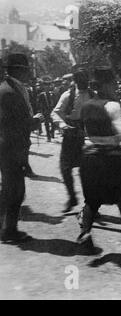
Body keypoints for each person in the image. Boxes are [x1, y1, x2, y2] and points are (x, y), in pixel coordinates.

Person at [76, 66, 121, 254]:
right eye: (113, 83)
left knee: (92, 200)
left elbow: (83, 130)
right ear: (106, 84)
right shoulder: (112, 106)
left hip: (89, 156)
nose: (116, 87)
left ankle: (85, 233)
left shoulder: (86, 106)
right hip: (110, 159)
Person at [0, 53, 44, 243]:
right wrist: (36, 121)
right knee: (15, 191)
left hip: (11, 146)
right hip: (11, 147)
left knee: (11, 190)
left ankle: (7, 229)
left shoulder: (12, 88)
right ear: (18, 70)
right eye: (26, 70)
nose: (29, 74)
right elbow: (17, 124)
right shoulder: (9, 92)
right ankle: (8, 231)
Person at [52, 68, 96, 213]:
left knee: (89, 172)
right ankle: (72, 197)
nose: (85, 83)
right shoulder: (68, 95)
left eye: (86, 80)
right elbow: (56, 112)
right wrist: (63, 125)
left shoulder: (92, 95)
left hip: (88, 136)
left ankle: (91, 204)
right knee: (65, 168)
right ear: (76, 81)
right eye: (81, 80)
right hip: (71, 136)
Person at [37, 76, 55, 142]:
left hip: (52, 110)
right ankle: (48, 136)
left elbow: (55, 101)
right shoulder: (41, 95)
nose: (47, 87)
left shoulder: (52, 94)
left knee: (53, 123)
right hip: (45, 111)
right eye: (46, 86)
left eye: (48, 85)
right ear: (44, 87)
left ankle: (52, 132)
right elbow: (39, 103)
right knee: (47, 124)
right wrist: (40, 111)